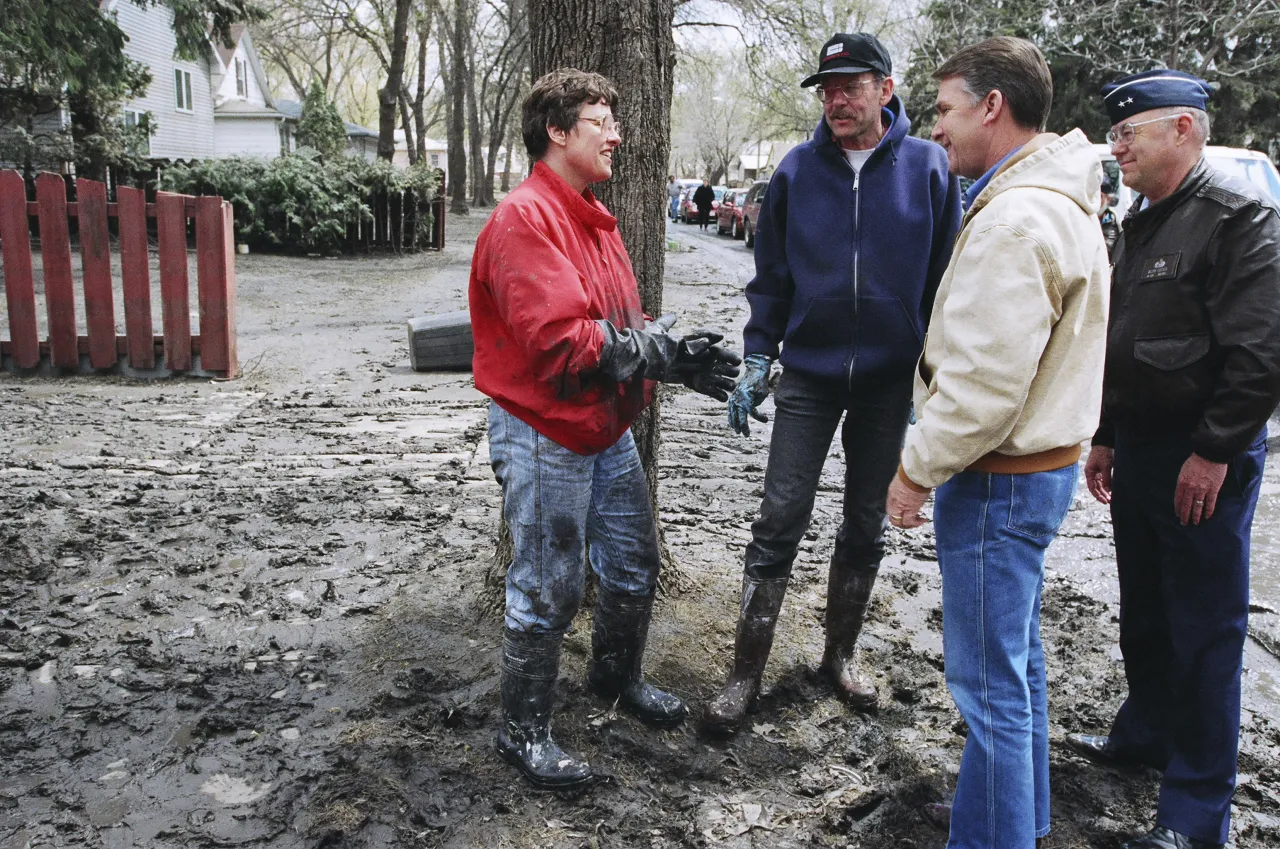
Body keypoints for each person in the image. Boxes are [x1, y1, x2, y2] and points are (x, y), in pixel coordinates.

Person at [469, 68, 741, 791]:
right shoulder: (525, 219)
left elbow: (614, 325)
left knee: (632, 563)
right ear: (558, 132)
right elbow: (560, 343)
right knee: (547, 588)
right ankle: (521, 732)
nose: (616, 134)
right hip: (543, 429)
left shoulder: (590, 214)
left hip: (602, 426)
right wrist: (655, 351)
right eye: (600, 122)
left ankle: (615, 681)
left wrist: (671, 356)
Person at [884, 37, 1110, 848]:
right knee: (1016, 665)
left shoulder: (1016, 219)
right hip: (1037, 472)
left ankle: (996, 834)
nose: (933, 126)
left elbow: (983, 385)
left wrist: (915, 470)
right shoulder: (1051, 198)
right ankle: (1015, 810)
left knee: (990, 691)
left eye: (944, 109)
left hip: (1000, 479)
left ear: (991, 107)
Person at [703, 31, 961, 733]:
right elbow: (771, 278)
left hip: (887, 384)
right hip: (810, 378)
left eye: (850, 86)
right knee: (778, 516)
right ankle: (744, 673)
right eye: (827, 89)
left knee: (865, 520)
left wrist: (931, 380)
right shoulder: (794, 172)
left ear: (884, 86)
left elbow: (946, 286)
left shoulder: (931, 170)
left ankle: (838, 656)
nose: (836, 100)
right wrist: (760, 354)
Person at [1064, 70, 1280, 849]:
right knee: (1148, 613)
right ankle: (1145, 734)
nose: (1117, 146)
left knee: (1205, 631)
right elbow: (1129, 339)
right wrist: (1109, 433)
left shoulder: (1237, 217)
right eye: (1115, 134)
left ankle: (1194, 816)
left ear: (1183, 129)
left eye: (1131, 132)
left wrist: (1215, 451)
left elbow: (1259, 355)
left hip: (1202, 455)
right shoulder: (1146, 218)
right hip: (1145, 447)